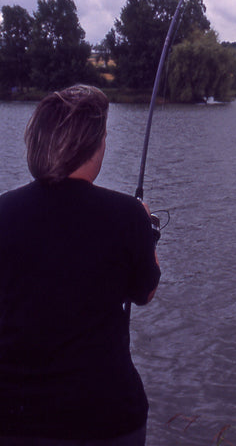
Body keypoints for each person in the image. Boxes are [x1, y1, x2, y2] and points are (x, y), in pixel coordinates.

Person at [0, 85, 161, 445]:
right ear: (92, 147)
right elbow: (145, 292)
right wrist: (147, 232)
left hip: (12, 416)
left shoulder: (3, 212)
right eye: (103, 136)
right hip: (107, 417)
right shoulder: (127, 215)